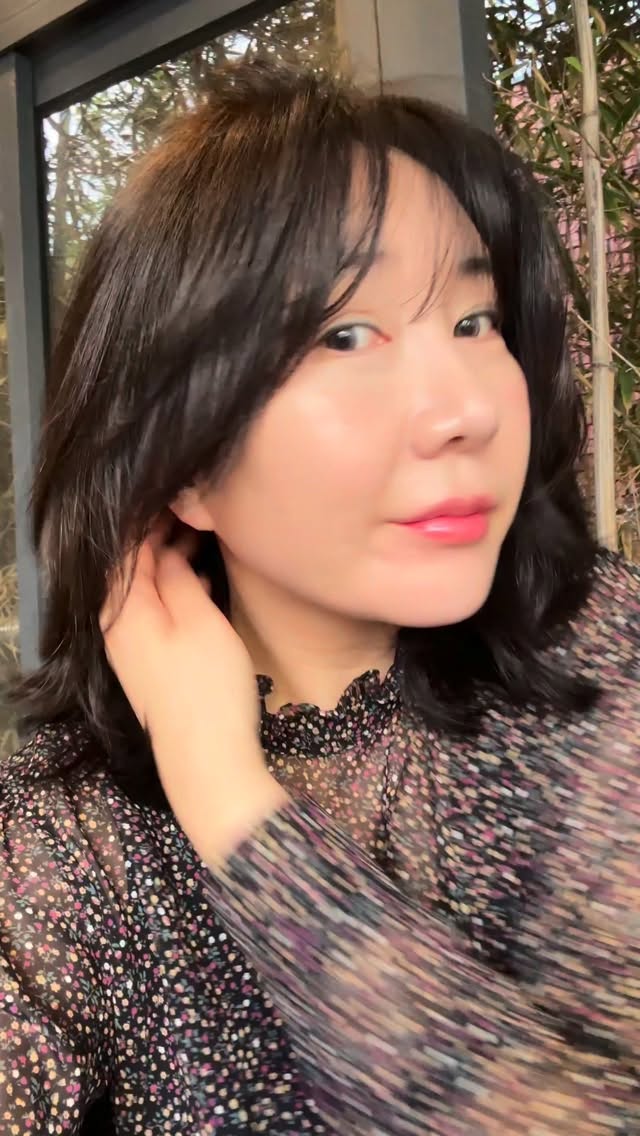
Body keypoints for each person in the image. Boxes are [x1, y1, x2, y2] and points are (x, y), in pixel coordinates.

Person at [0, 60, 638, 1136]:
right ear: (180, 459)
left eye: (475, 320)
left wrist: (227, 796)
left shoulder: (606, 669)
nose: (466, 411)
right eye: (344, 335)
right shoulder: (67, 833)